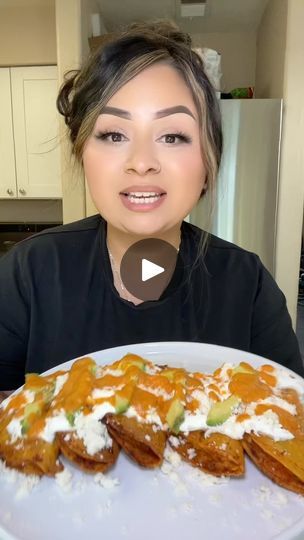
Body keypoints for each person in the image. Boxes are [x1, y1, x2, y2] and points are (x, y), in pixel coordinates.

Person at [0, 20, 303, 397]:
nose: (142, 162)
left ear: (208, 161)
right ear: (82, 152)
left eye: (173, 136)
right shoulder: (27, 273)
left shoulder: (249, 286)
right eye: (114, 135)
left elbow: (290, 422)